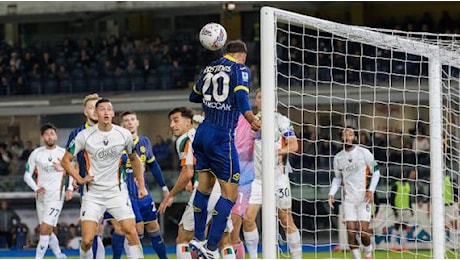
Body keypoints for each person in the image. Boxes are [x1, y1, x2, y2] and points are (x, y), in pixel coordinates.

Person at [188, 39, 261, 259]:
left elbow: (193, 96)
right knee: (230, 194)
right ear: (243, 55)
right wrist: (250, 118)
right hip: (222, 135)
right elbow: (241, 97)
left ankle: (199, 238)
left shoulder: (210, 67)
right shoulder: (240, 69)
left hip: (202, 132)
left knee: (204, 187)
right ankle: (211, 248)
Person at [61, 98, 146, 259]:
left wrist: (141, 185)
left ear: (113, 113)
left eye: (109, 109)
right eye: (102, 109)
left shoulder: (123, 134)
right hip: (93, 195)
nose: (106, 112)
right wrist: (79, 178)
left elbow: (134, 159)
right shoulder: (84, 136)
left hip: (117, 192)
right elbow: (65, 160)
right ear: (96, 113)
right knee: (87, 240)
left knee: (131, 231)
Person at [158, 107, 236, 259]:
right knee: (224, 240)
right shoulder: (208, 133)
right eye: (170, 122)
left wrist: (171, 195)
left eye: (176, 120)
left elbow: (187, 172)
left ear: (188, 122)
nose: (172, 125)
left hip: (207, 190)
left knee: (183, 236)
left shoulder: (186, 138)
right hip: (226, 189)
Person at [242, 88, 302, 259]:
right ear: (256, 102)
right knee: (248, 218)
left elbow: (294, 146)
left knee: (285, 218)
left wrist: (275, 152)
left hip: (278, 179)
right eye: (259, 97)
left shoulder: (282, 121)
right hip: (257, 180)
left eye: (266, 96)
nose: (263, 99)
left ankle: (296, 257)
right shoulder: (250, 123)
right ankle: (253, 257)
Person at [106, 110, 169, 259]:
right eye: (126, 120)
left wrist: (164, 187)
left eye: (132, 119)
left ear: (137, 122)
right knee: (135, 229)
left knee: (154, 227)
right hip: (124, 193)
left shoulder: (145, 141)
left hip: (142, 192)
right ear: (121, 125)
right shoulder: (116, 144)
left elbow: (153, 166)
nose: (130, 122)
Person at [328, 127, 381, 259]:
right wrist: (331, 193)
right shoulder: (338, 158)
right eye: (345, 135)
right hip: (349, 199)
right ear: (342, 138)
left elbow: (376, 172)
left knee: (363, 231)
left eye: (350, 134)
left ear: (355, 137)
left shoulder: (364, 153)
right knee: (350, 231)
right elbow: (337, 178)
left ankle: (368, 252)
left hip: (364, 197)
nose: (348, 137)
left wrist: (371, 190)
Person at [64, 93, 105, 259]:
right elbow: (69, 161)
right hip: (90, 189)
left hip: (115, 187)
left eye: (98, 107)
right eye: (91, 107)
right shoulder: (77, 133)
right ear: (85, 112)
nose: (95, 111)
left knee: (129, 228)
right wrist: (74, 180)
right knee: (93, 232)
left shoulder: (112, 130)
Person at [23, 123, 72, 259]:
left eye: (52, 134)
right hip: (41, 196)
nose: (49, 137)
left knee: (44, 229)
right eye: (46, 134)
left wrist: (70, 188)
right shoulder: (36, 153)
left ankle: (38, 258)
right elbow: (27, 175)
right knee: (47, 230)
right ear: (42, 137)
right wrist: (36, 188)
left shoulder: (63, 153)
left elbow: (73, 171)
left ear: (56, 136)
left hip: (56, 195)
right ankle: (59, 255)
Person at [230, 114, 255, 259]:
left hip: (243, 182)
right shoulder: (219, 117)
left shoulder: (248, 120)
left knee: (234, 227)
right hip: (220, 183)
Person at [389, 168, 414, 252]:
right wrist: (394, 209)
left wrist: (411, 209)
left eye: (405, 174)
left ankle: (404, 246)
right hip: (398, 209)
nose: (404, 176)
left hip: (406, 209)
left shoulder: (407, 185)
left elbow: (409, 198)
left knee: (404, 228)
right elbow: (391, 198)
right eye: (402, 174)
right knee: (396, 227)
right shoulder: (396, 185)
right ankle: (392, 246)